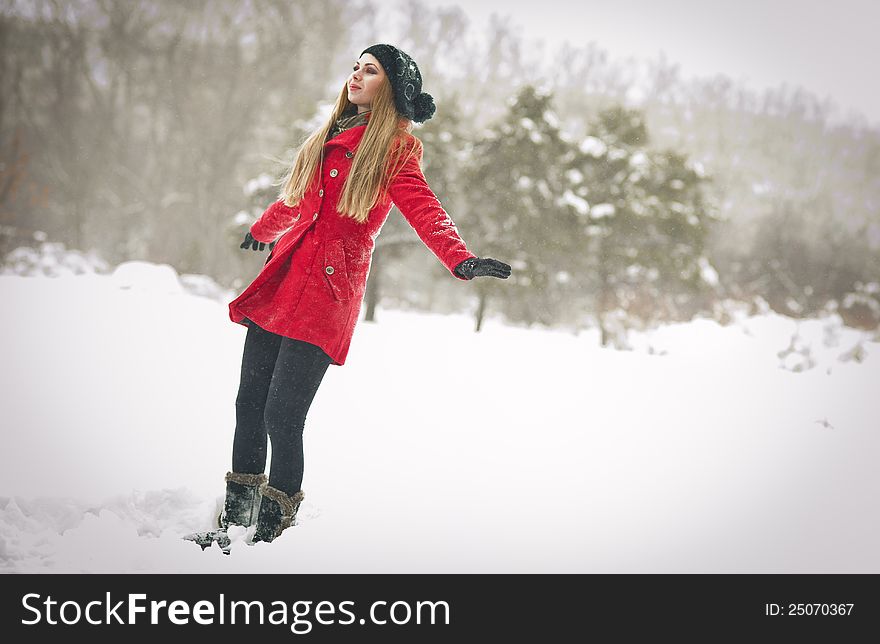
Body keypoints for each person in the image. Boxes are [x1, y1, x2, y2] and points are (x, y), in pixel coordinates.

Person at [185, 44, 511, 552]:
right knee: (248, 405)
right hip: (286, 276)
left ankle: (271, 535)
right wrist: (264, 229)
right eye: (356, 67)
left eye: (371, 70)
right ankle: (233, 526)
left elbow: (424, 207)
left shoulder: (396, 149)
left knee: (282, 416)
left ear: (392, 87)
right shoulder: (331, 134)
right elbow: (296, 199)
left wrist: (459, 258)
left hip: (328, 291)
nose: (356, 76)